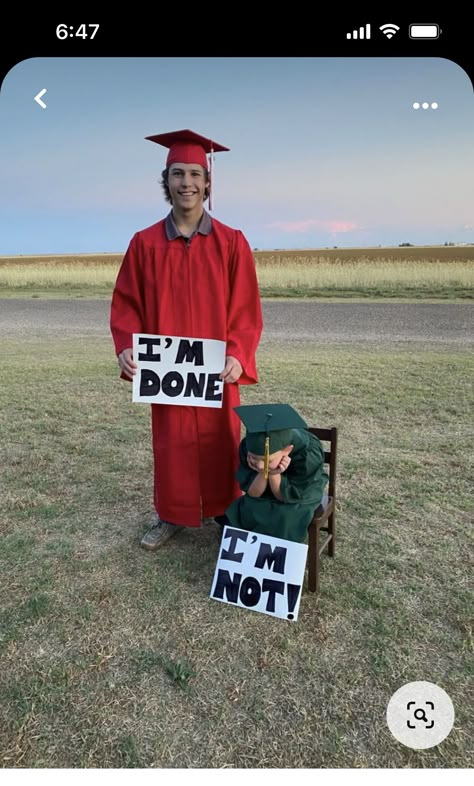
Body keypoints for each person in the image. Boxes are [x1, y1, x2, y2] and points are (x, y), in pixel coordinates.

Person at [110, 128, 263, 550]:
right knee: (172, 440)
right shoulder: (143, 244)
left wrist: (238, 353)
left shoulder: (232, 243)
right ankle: (171, 514)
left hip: (215, 368)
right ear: (167, 180)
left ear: (207, 181)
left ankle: (224, 512)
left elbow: (246, 310)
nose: (187, 183)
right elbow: (126, 304)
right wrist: (126, 345)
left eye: (195, 173)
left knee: (221, 438)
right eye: (178, 173)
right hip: (169, 371)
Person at [224, 404, 328, 543]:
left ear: (287, 450)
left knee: (285, 516)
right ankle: (250, 552)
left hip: (301, 493)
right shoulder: (249, 446)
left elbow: (285, 497)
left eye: (267, 460)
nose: (260, 464)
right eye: (254, 458)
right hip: (263, 489)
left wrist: (273, 474)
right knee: (249, 507)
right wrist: (264, 472)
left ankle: (276, 555)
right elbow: (254, 493)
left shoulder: (308, 453)